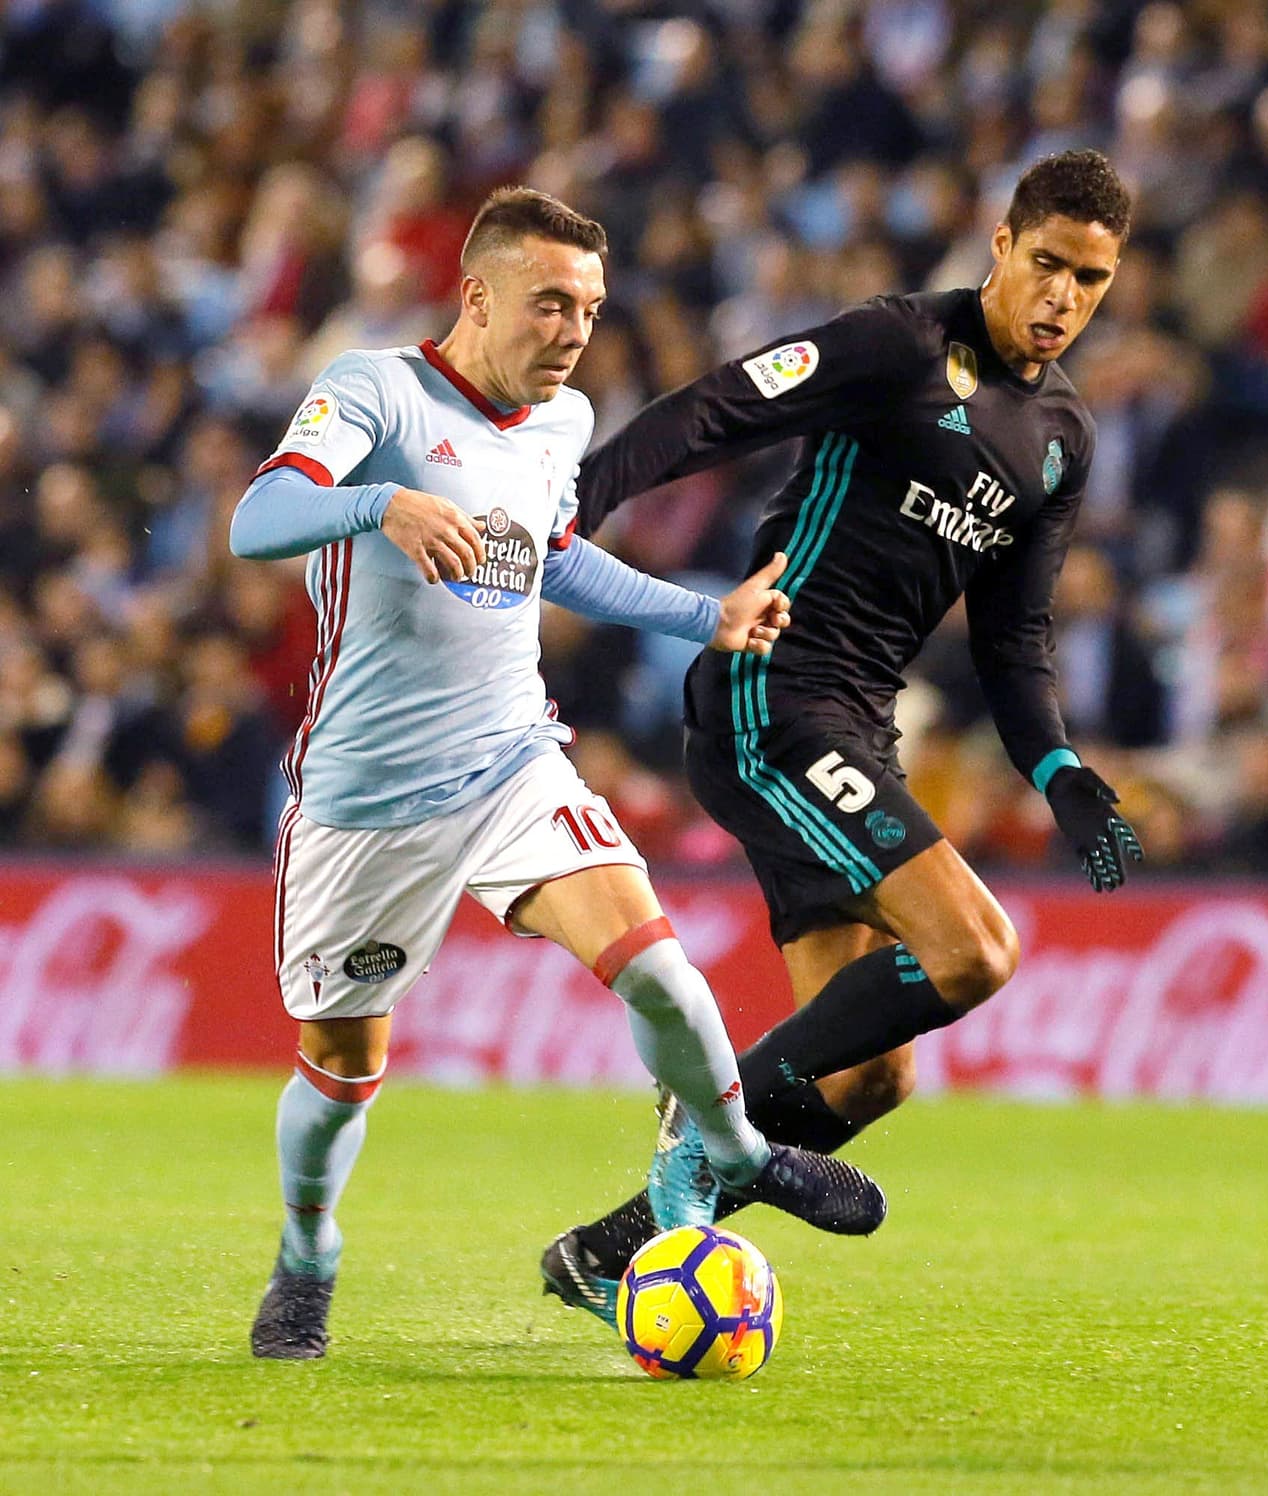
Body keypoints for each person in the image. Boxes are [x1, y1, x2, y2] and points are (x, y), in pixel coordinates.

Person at [230, 188, 887, 1360]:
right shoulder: (375, 389)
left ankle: (733, 1153)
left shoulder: (561, 420)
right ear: (476, 296)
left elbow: (556, 559)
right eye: (549, 303)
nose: (575, 328)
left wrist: (705, 618)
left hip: (509, 763)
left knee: (662, 970)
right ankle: (307, 1257)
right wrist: (380, 503)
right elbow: (259, 514)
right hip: (366, 802)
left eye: (588, 305)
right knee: (339, 1071)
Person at [542, 150, 1145, 1320]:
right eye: (1048, 264)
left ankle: (607, 1248)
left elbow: (1012, 646)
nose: (1063, 296)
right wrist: (585, 491)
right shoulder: (897, 344)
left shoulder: (1061, 435)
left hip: (854, 725)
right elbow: (722, 402)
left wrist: (1063, 771)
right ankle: (698, 1145)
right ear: (1000, 247)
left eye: (1092, 278)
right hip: (772, 688)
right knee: (972, 949)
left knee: (871, 1071)